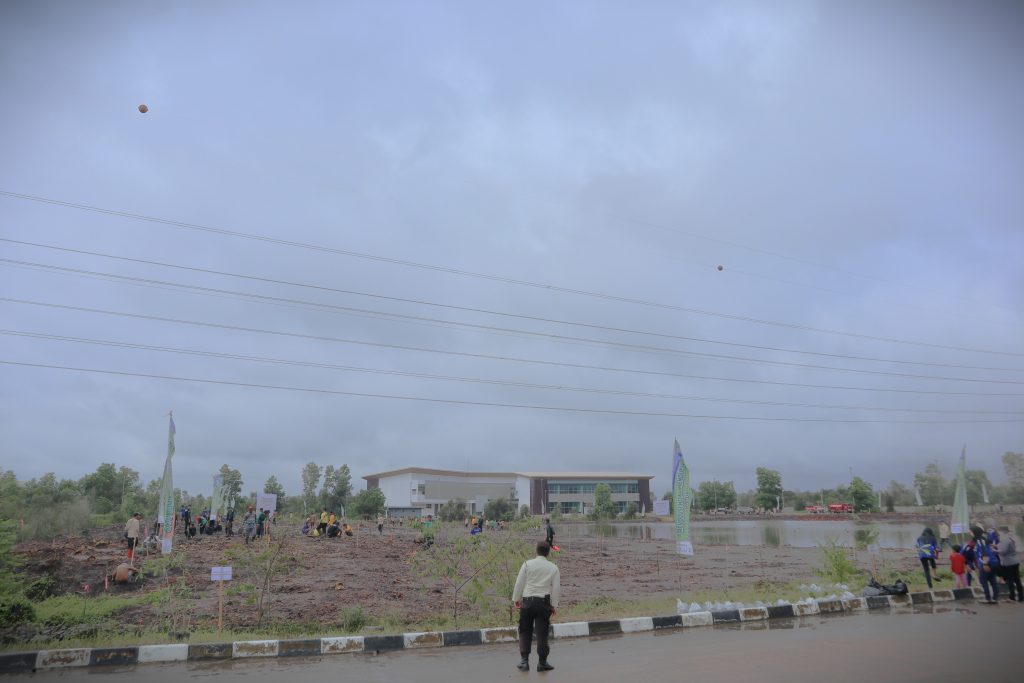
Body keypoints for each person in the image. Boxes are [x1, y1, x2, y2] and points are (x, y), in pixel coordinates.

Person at [512, 540, 561, 672]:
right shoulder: (553, 568)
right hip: (543, 604)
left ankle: (524, 661)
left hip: (527, 602)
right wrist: (554, 605)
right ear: (548, 553)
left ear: (536, 551)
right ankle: (542, 662)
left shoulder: (527, 564)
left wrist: (516, 599)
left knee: (524, 630)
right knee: (542, 633)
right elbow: (556, 589)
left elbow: (519, 583)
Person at [972, 525, 1000, 604]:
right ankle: (995, 598)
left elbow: (983, 552)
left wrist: (985, 564)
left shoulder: (979, 540)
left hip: (987, 563)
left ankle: (988, 599)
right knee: (993, 581)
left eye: (970, 531)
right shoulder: (984, 539)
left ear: (974, 532)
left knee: (984, 581)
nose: (969, 533)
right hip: (993, 562)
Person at [996, 525, 1021, 602]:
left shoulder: (1005, 539)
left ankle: (1012, 597)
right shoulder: (1012, 537)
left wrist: (995, 550)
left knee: (1010, 580)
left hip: (1009, 562)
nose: (998, 534)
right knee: (1017, 579)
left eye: (999, 532)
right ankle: (1021, 597)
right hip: (1015, 560)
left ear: (1003, 531)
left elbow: (1003, 552)